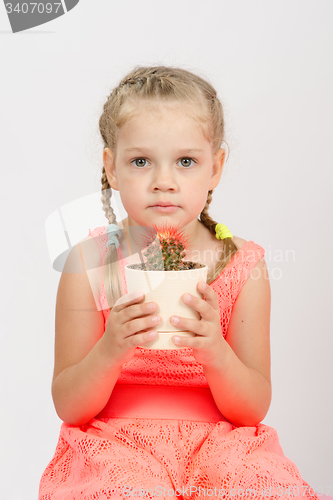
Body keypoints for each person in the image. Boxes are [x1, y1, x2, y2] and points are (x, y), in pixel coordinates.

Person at [39, 66, 319, 500]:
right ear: (112, 168)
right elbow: (69, 405)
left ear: (215, 168)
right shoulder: (89, 264)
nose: (164, 181)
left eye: (186, 161)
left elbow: (252, 408)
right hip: (113, 444)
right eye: (140, 161)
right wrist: (110, 350)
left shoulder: (242, 266)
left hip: (222, 445)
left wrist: (216, 351)